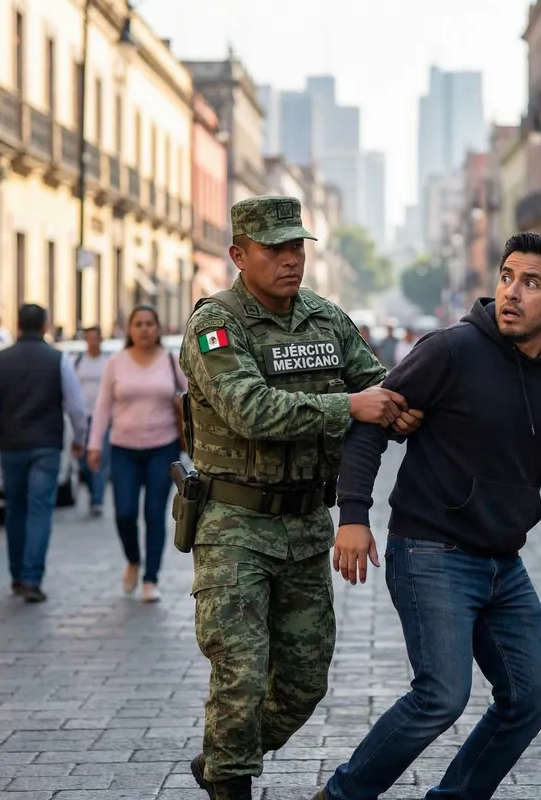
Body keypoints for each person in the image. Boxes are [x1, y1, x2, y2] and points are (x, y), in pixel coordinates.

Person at [312, 232, 541, 800]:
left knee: (531, 698)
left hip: (503, 563)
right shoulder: (451, 350)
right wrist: (353, 514)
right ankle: (342, 795)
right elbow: (371, 421)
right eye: (507, 276)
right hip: (430, 550)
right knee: (441, 695)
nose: (511, 292)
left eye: (531, 283)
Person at [179, 194, 423, 800]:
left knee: (305, 678)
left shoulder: (326, 318)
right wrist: (351, 406)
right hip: (234, 523)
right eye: (275, 249)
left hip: (307, 524)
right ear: (239, 254)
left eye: (297, 248)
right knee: (239, 670)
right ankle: (232, 783)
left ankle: (222, 758)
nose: (291, 260)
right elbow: (248, 409)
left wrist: (408, 406)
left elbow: (377, 384)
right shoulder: (216, 323)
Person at [0, 304, 87, 603]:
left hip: (11, 445)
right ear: (45, 327)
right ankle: (32, 578)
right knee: (40, 510)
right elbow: (76, 407)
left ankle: (16, 575)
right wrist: (80, 438)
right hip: (46, 445)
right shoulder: (58, 359)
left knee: (15, 509)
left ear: (17, 325)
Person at [87, 305, 186, 603]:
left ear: (158, 328)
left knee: (155, 514)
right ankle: (133, 559)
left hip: (163, 447)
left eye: (149, 324)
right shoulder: (116, 363)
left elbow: (191, 400)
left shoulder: (171, 361)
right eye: (138, 324)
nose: (144, 329)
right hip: (123, 449)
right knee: (125, 513)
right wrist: (94, 445)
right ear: (129, 330)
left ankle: (150, 579)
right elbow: (103, 406)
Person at [75, 325, 110, 516]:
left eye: (95, 338)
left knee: (101, 457)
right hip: (83, 416)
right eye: (89, 338)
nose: (92, 342)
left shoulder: (107, 362)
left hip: (103, 417)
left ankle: (97, 500)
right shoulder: (78, 361)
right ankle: (91, 490)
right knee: (83, 460)